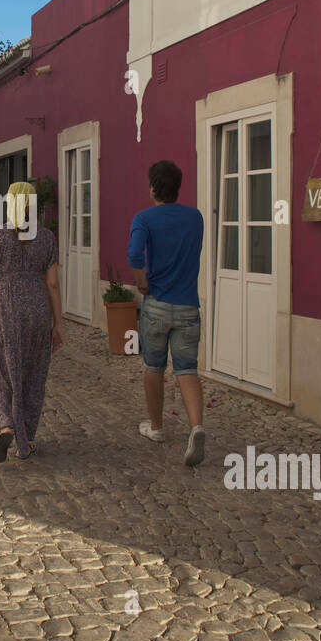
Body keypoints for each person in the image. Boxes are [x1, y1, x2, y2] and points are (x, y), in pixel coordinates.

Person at [0, 181, 62, 462]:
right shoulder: (46, 238)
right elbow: (53, 284)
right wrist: (58, 323)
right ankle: (28, 438)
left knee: (4, 370)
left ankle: (7, 426)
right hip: (36, 306)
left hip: (6, 306)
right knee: (34, 373)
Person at [127, 160, 206, 466]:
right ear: (178, 187)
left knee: (154, 366)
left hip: (157, 303)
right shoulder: (195, 218)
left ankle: (157, 427)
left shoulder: (144, 218)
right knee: (187, 369)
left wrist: (141, 283)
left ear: (152, 188)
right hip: (187, 304)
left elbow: (134, 255)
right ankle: (196, 427)